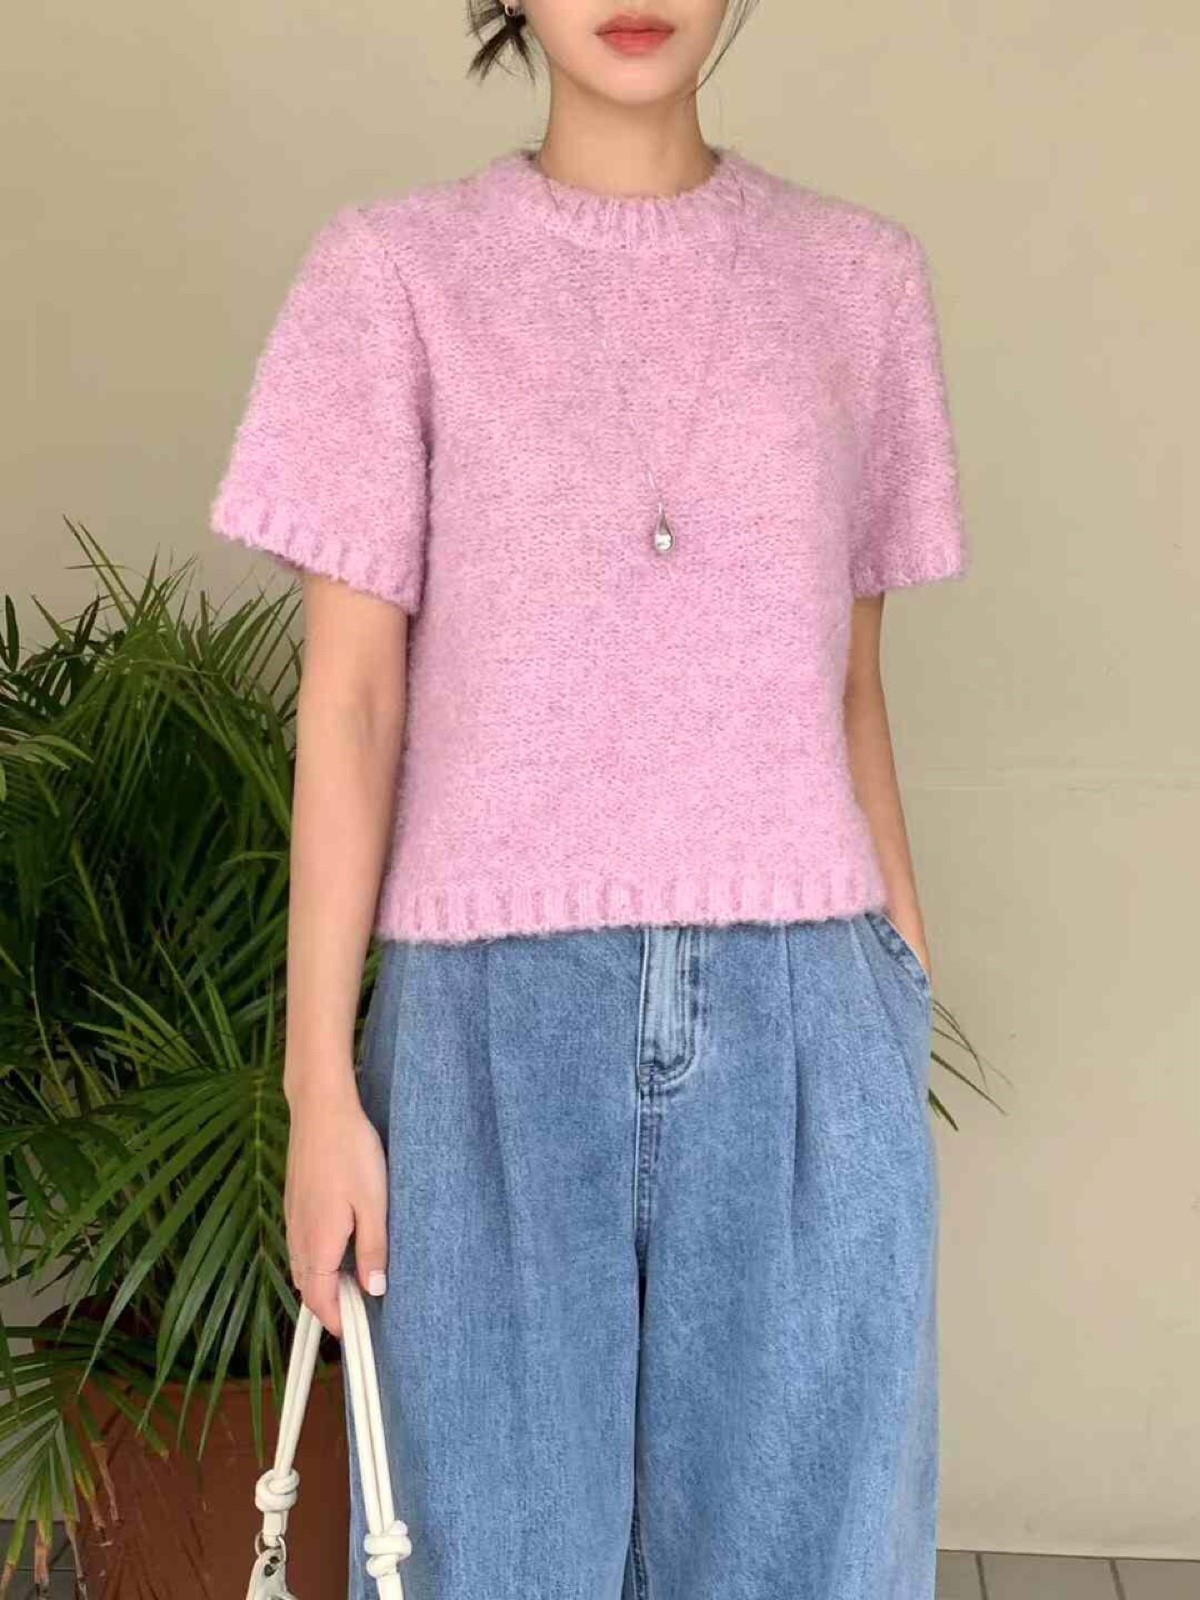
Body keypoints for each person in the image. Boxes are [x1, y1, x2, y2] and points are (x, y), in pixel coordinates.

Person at [209, 2, 971, 1594]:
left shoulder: (860, 283)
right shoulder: (394, 278)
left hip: (805, 1025)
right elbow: (350, 707)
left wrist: (900, 987)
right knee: (480, 1565)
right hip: (485, 1041)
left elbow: (852, 689)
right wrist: (317, 1087)